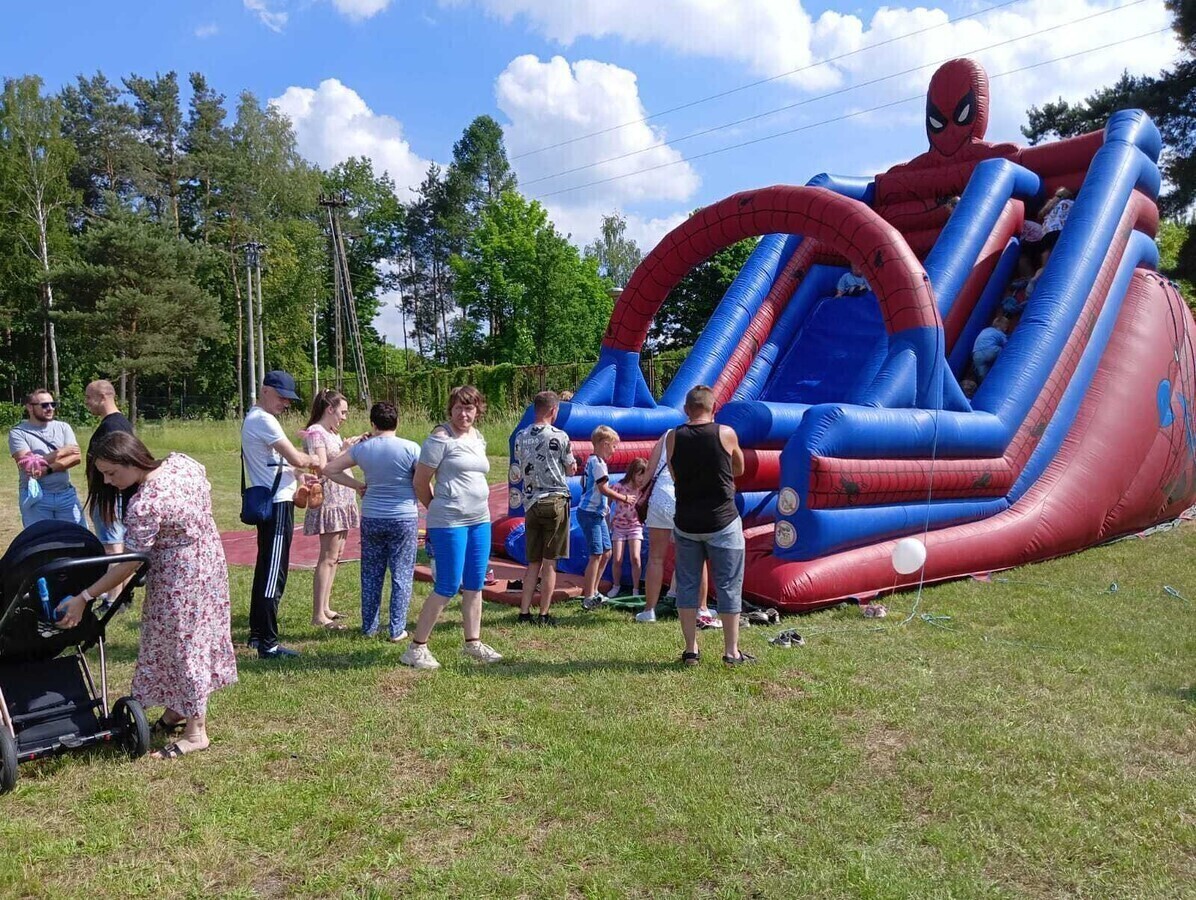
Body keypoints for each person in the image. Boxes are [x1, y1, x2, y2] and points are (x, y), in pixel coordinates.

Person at [57, 431, 237, 760]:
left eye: (112, 473)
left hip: (179, 580)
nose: (109, 482)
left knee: (185, 648)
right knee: (184, 641)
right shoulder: (182, 463)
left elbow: (128, 563)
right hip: (208, 564)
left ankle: (197, 732)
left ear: (131, 460)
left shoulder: (145, 503)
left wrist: (84, 596)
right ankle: (175, 712)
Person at [403, 385, 502, 670]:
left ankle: (473, 642)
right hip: (449, 521)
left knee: (475, 583)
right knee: (447, 586)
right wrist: (438, 507)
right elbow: (420, 482)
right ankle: (416, 648)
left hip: (479, 520)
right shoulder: (439, 438)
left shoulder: (478, 437)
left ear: (477, 410)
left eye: (469, 408)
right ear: (450, 410)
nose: (463, 413)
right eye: (458, 408)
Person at [666, 385, 751, 666]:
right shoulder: (725, 433)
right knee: (729, 585)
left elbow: (675, 474)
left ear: (687, 409)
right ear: (713, 408)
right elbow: (739, 468)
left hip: (687, 520)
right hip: (722, 521)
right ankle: (731, 652)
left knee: (688, 586)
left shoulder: (673, 437)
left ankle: (691, 650)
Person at [323, 402, 421, 642]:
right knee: (401, 574)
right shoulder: (411, 448)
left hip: (373, 516)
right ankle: (397, 628)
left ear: (373, 423)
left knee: (371, 573)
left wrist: (357, 486)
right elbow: (422, 480)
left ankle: (369, 626)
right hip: (403, 517)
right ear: (397, 422)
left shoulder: (363, 449)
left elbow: (330, 469)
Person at [241, 370, 318, 659]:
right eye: (282, 397)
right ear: (265, 390)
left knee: (265, 571)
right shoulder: (264, 420)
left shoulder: (255, 418)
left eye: (289, 399)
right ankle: (268, 644)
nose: (286, 404)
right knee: (274, 575)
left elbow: (276, 462)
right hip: (276, 504)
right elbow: (297, 457)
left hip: (272, 501)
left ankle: (257, 633)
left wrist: (294, 471)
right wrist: (313, 460)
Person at [300, 389, 362, 630]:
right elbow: (323, 467)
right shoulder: (316, 433)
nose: (344, 417)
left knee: (336, 556)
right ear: (330, 409)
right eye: (342, 412)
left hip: (342, 498)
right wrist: (347, 450)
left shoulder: (331, 432)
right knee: (327, 557)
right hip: (330, 500)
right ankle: (318, 614)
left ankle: (326, 607)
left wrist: (348, 446)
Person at [512, 391, 576, 626]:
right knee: (550, 562)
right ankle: (544, 614)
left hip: (531, 503)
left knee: (533, 562)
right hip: (555, 500)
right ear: (553, 410)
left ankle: (524, 611)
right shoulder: (559, 436)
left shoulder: (521, 436)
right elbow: (570, 469)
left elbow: (520, 463)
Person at [635, 431, 711, 625]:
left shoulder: (668, 434)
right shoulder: (708, 435)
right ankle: (701, 609)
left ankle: (649, 610)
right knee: (697, 557)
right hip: (686, 497)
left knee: (656, 558)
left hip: (661, 496)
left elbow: (649, 472)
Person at [578, 425, 634, 610]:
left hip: (598, 513)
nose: (615, 450)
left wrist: (605, 506)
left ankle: (594, 591)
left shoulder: (594, 461)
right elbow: (603, 488)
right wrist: (624, 498)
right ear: (604, 444)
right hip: (590, 513)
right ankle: (588, 595)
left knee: (607, 552)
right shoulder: (597, 463)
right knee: (596, 554)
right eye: (614, 446)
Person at [9, 388, 82, 528]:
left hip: (66, 494)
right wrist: (61, 452)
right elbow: (29, 465)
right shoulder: (18, 433)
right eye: (44, 405)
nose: (50, 408)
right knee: (41, 544)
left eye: (52, 404)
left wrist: (47, 469)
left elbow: (76, 458)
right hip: (37, 497)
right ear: (30, 407)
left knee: (76, 540)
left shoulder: (63, 427)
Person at [83, 380, 134, 554]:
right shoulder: (115, 423)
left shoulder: (113, 427)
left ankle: (118, 582)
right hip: (107, 498)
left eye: (89, 397)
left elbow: (121, 466)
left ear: (103, 397)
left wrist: (108, 503)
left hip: (109, 498)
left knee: (113, 551)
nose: (86, 402)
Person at [609, 457, 648, 597]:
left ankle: (636, 589)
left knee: (635, 558)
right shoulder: (619, 486)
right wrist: (608, 516)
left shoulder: (643, 490)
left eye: (644, 474)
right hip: (619, 526)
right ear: (632, 473)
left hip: (635, 526)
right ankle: (616, 585)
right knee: (617, 558)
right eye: (639, 474)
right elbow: (608, 497)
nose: (642, 478)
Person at [972, 315, 1010, 380]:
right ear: (1002, 327)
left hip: (976, 355)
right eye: (1006, 327)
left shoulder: (985, 330)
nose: (1006, 329)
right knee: (1005, 351)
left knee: (984, 377)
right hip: (990, 351)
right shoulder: (999, 332)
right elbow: (1007, 344)